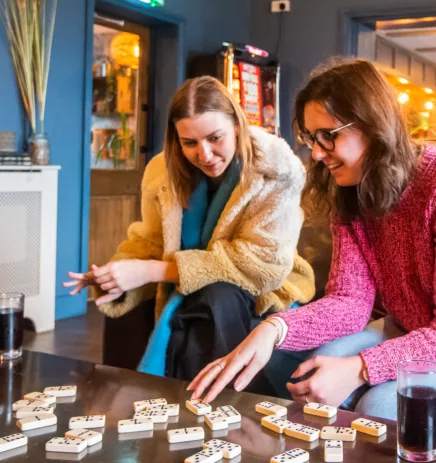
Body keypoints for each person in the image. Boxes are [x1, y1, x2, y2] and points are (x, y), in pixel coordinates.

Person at [189, 59, 436, 434]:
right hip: (415, 329)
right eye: (312, 138)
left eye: (328, 135)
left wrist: (359, 368)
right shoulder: (351, 191)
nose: (316, 153)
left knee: (381, 407)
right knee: (298, 366)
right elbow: (350, 302)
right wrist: (273, 329)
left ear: (373, 125)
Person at [65, 76, 315, 385]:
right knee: (127, 304)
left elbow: (261, 265)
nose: (205, 155)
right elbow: (149, 240)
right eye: (190, 143)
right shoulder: (163, 171)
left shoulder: (277, 170)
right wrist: (114, 274)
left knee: (215, 297)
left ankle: (211, 407)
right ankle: (126, 408)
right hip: (190, 277)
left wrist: (150, 271)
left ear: (237, 125)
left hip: (265, 286)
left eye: (215, 138)